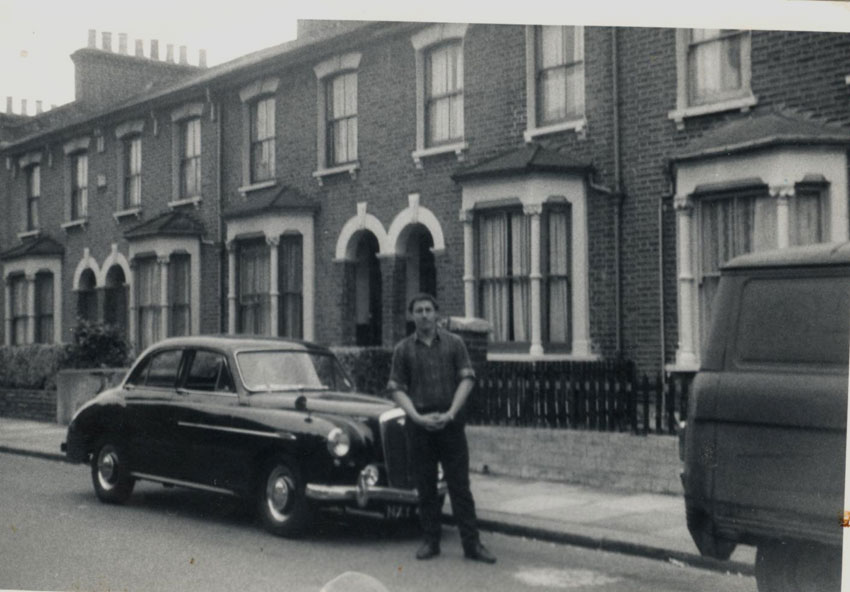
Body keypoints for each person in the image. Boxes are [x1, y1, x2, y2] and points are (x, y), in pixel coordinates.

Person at [386, 293, 496, 564]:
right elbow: (396, 389)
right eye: (418, 311)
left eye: (428, 310)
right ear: (412, 316)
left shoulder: (455, 344)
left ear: (437, 313)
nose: (424, 315)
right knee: (425, 487)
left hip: (450, 424)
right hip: (419, 425)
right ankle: (430, 541)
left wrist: (451, 413)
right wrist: (416, 417)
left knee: (460, 486)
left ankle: (472, 545)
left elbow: (467, 380)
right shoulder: (403, 350)